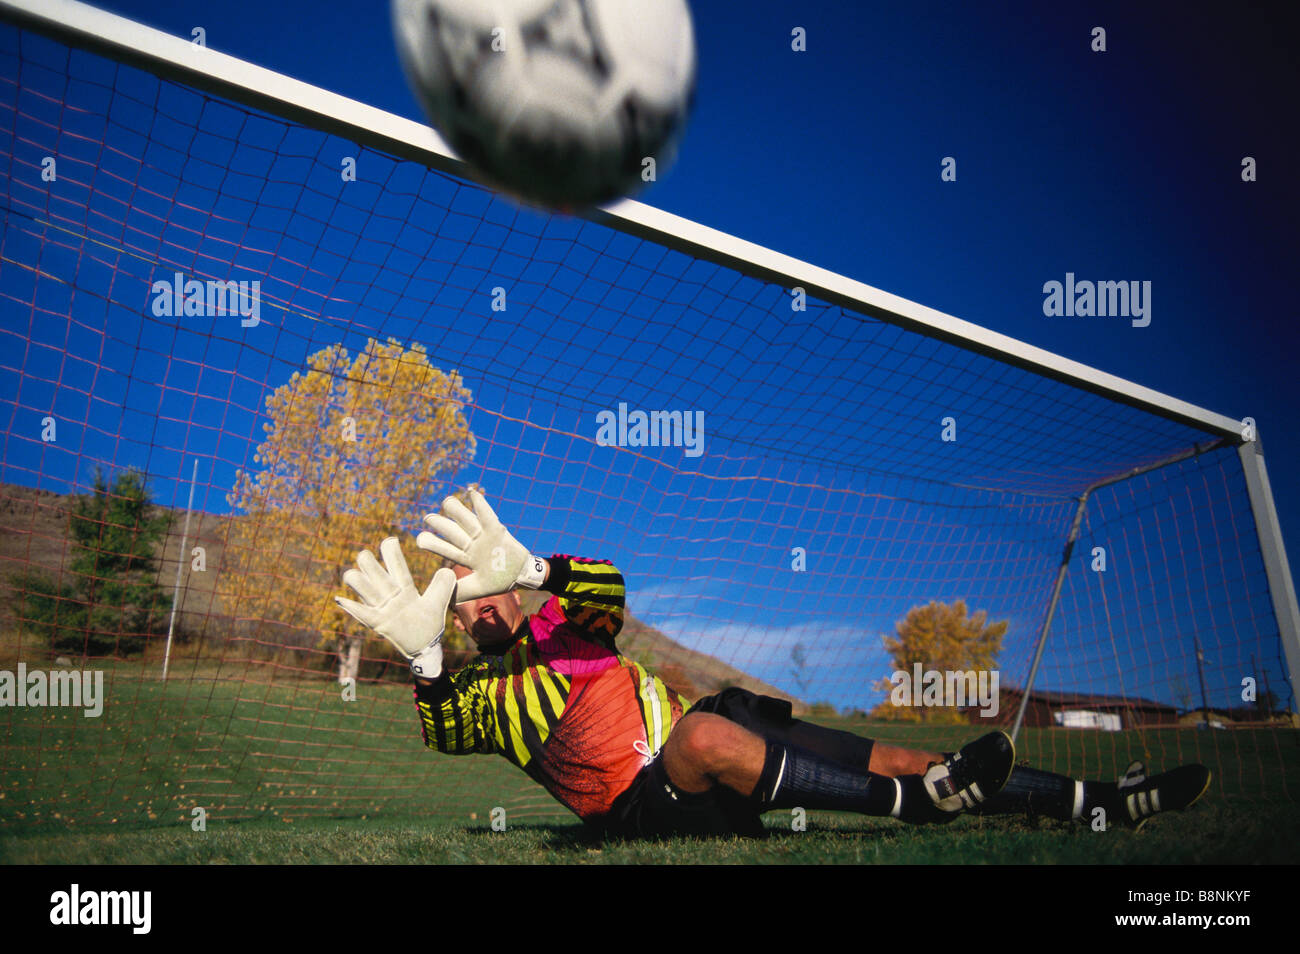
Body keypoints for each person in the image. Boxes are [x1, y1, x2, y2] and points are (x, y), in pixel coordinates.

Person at [336, 491, 1210, 838]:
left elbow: (611, 590)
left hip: (708, 736)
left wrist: (532, 569)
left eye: (480, 587)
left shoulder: (566, 619)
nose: (475, 605)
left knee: (888, 752)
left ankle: (1101, 802)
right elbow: (444, 733)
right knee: (709, 733)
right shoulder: (483, 690)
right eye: (458, 603)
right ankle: (918, 806)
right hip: (644, 804)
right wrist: (422, 657)